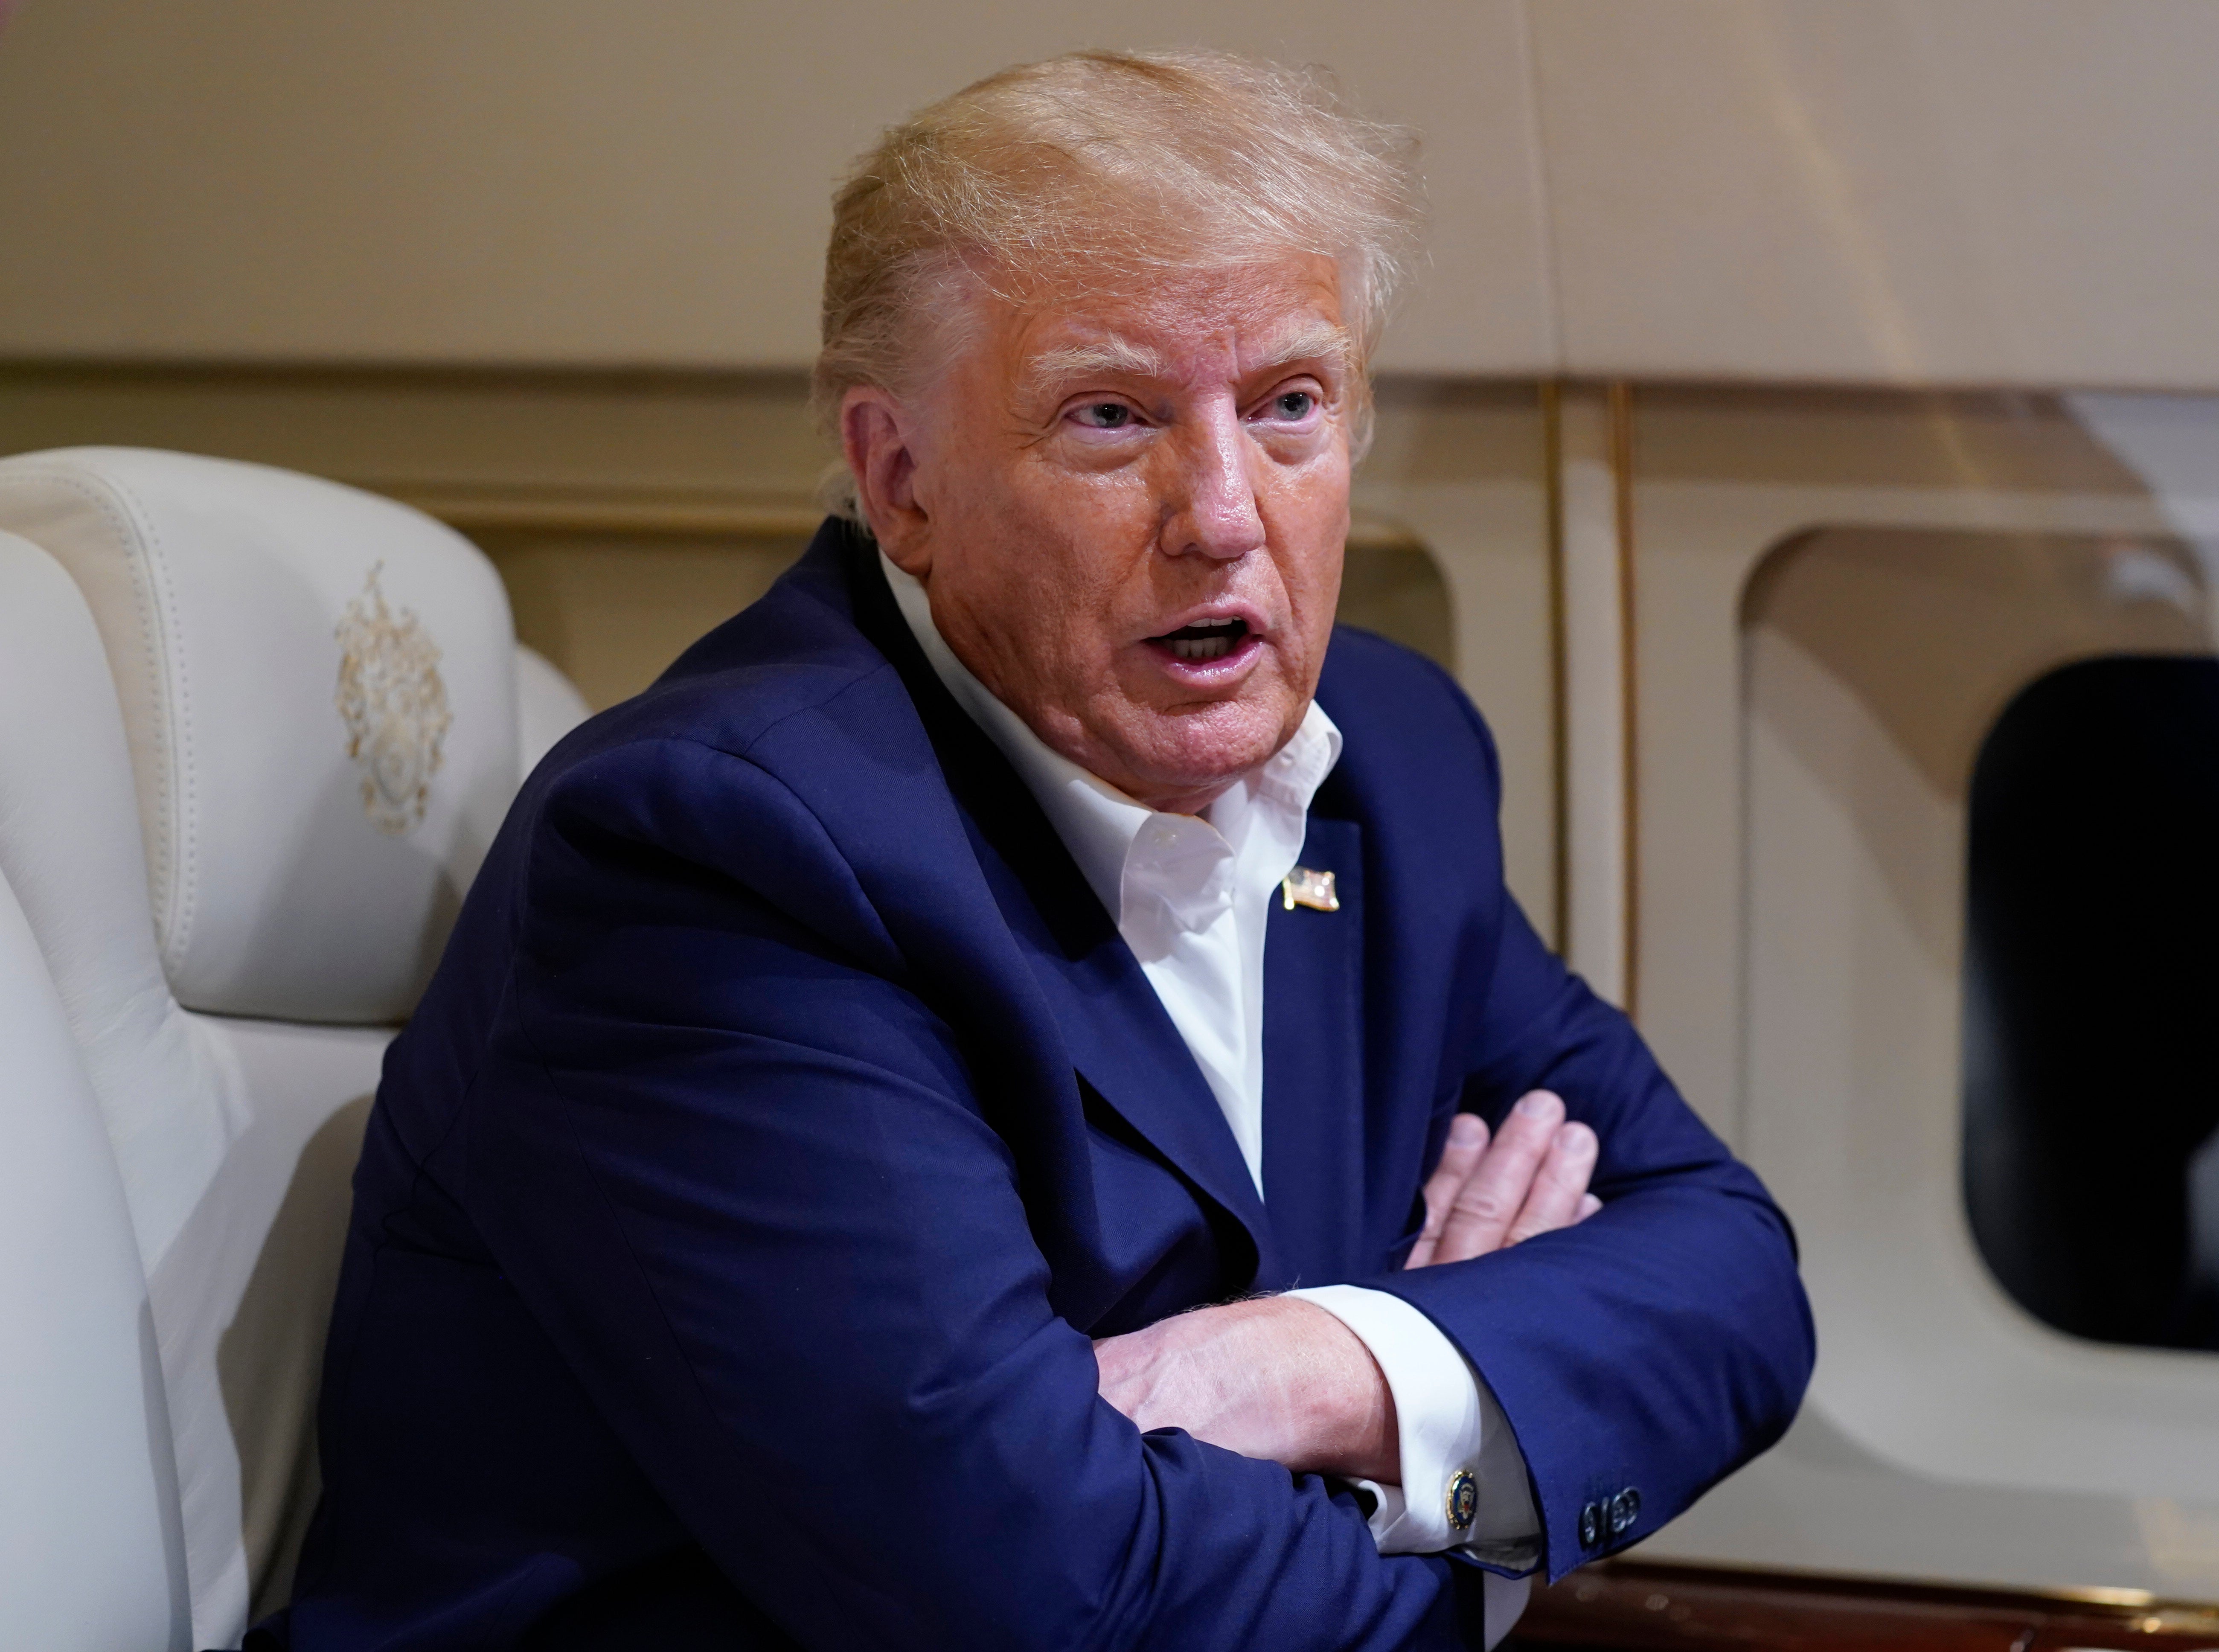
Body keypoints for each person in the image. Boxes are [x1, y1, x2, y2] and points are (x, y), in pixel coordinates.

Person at [252, 49, 1813, 1652]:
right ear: (902, 481)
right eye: (1111, 417)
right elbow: (1042, 1599)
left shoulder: (1395, 762)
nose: (1223, 513)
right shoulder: (718, 859)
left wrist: (1310, 1364)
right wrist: (1479, 1476)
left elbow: (1731, 1280)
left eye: (1290, 404)